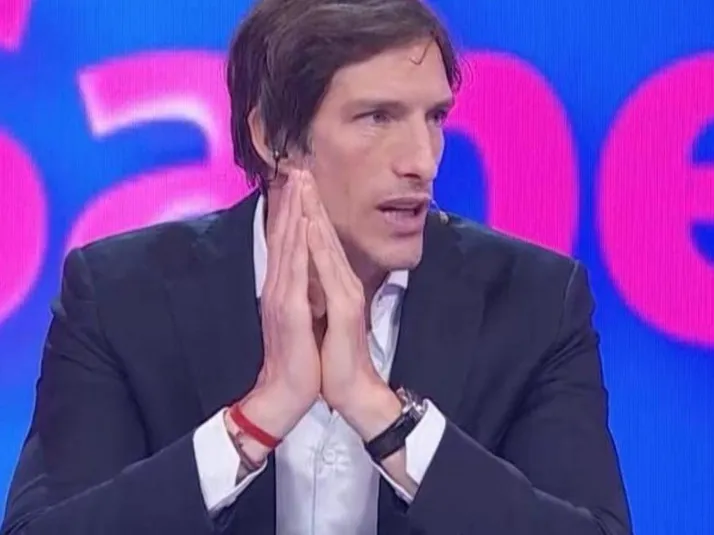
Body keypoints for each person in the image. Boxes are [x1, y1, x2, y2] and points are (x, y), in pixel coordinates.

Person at [1, 0, 632, 533]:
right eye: (377, 117)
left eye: (434, 118)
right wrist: (258, 418)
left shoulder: (535, 303)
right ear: (273, 137)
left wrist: (382, 415)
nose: (423, 160)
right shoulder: (119, 298)